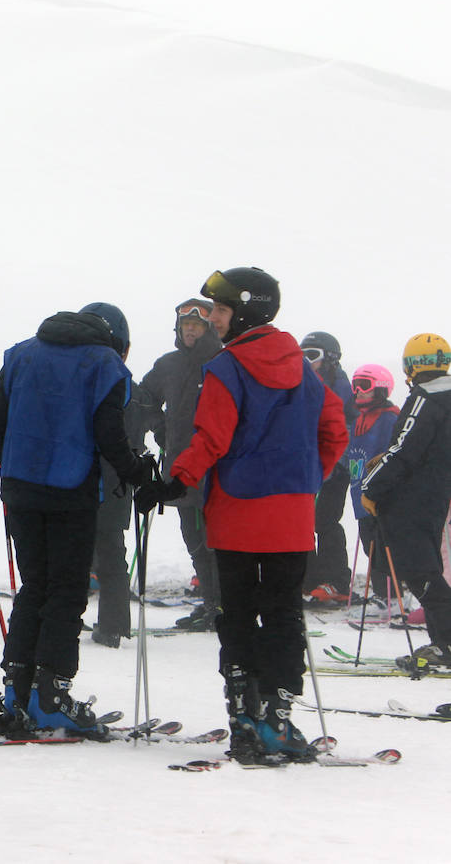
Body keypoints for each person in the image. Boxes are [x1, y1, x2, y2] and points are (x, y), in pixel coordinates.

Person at [136, 267, 347, 761]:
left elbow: (210, 439)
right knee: (283, 615)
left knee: (238, 615)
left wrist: (173, 481)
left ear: (247, 311)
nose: (214, 321)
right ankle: (276, 719)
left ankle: (244, 720)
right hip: (291, 517)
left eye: (223, 311)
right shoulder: (303, 370)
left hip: (234, 514)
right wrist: (305, 478)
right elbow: (335, 432)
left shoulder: (226, 369)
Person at [0, 303, 155, 731]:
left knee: (35, 586)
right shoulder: (104, 363)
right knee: (65, 590)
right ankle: (51, 696)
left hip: (20, 487)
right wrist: (138, 473)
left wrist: (13, 463)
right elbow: (109, 433)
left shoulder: (20, 353)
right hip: (71, 489)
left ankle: (16, 690)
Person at [360, 334, 451, 672]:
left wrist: (371, 488)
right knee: (425, 569)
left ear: (411, 366)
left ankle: (446, 644)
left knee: (419, 571)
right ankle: (443, 642)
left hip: (410, 500)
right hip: (435, 497)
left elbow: (404, 450)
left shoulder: (424, 398)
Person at [139, 298, 224, 631]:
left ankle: (223, 606)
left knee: (217, 540)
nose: (190, 330)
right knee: (194, 539)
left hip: (217, 470)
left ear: (208, 329)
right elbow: (143, 396)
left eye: (197, 325)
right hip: (179, 468)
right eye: (185, 325)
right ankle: (211, 604)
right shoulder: (169, 364)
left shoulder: (223, 362)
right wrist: (161, 430)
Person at [79, 304, 154, 649]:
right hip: (115, 482)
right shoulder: (130, 388)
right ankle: (112, 624)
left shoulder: (88, 384)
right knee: (108, 553)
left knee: (85, 548)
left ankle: (88, 616)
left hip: (92, 480)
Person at [300, 331, 356, 602]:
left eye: (312, 355)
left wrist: (332, 462)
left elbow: (344, 427)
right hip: (307, 466)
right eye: (302, 355)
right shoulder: (302, 383)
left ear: (330, 359)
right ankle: (308, 580)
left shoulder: (340, 386)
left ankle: (336, 582)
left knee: (325, 521)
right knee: (302, 522)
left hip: (334, 468)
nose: (306, 361)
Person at [344, 364, 401, 607]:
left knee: (384, 545)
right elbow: (348, 453)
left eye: (364, 385)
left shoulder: (390, 419)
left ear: (380, 389)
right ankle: (382, 594)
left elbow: (395, 453)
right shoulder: (359, 420)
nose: (357, 390)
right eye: (354, 385)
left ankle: (393, 594)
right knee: (370, 544)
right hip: (360, 494)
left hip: (382, 495)